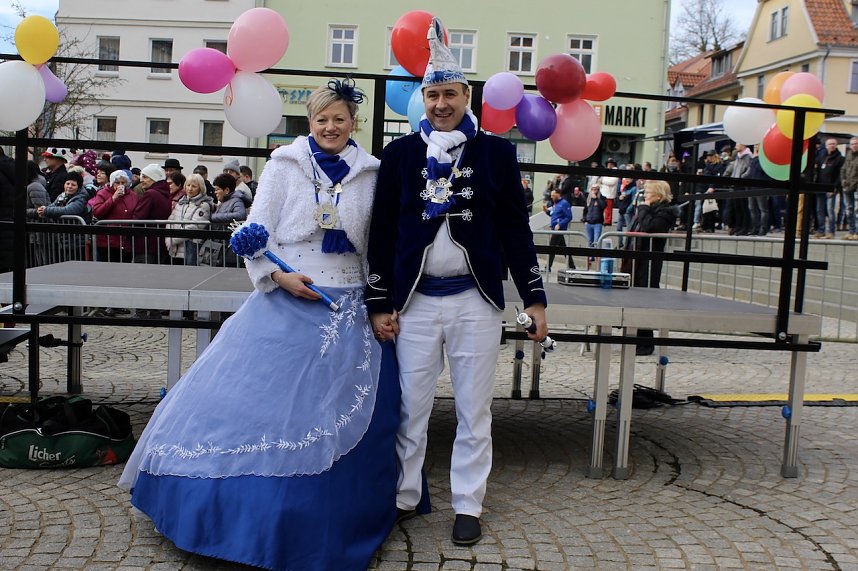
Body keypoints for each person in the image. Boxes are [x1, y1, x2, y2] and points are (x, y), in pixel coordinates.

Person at [119, 78, 400, 571]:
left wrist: (379, 301)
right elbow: (257, 228)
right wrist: (277, 275)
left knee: (343, 414)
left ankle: (334, 515)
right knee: (252, 407)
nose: (330, 127)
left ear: (353, 123)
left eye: (339, 119)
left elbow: (379, 243)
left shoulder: (373, 172)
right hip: (288, 296)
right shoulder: (284, 163)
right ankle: (229, 516)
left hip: (350, 303)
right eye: (321, 119)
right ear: (308, 122)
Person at [365, 18, 548, 546]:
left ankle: (468, 503)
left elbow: (515, 228)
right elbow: (383, 234)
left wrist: (534, 296)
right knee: (410, 407)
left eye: (449, 93)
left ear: (466, 95)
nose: (440, 104)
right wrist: (380, 300)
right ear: (420, 98)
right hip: (416, 302)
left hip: (477, 300)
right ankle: (404, 497)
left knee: (474, 409)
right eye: (432, 94)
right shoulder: (399, 156)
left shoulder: (495, 153)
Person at [623, 180, 679, 355]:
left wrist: (644, 209)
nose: (644, 195)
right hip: (637, 258)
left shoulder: (665, 211)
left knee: (645, 297)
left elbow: (650, 227)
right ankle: (635, 337)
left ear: (658, 193)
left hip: (649, 260)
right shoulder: (648, 208)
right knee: (635, 296)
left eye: (648, 192)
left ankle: (646, 342)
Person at [36, 171, 89, 262]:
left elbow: (68, 210)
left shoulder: (81, 198)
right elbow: (52, 206)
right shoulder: (62, 196)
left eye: (73, 185)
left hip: (77, 242)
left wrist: (47, 211)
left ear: (78, 187)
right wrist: (43, 210)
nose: (69, 186)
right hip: (64, 240)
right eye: (67, 183)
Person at [88, 169, 139, 263]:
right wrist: (113, 199)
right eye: (117, 182)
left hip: (126, 240)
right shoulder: (103, 193)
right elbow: (97, 212)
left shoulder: (133, 195)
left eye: (123, 182)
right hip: (107, 241)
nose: (120, 185)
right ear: (112, 183)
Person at [164, 173, 212, 266]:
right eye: (188, 185)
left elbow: (195, 226)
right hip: (175, 250)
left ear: (200, 188)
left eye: (194, 186)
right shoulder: (182, 201)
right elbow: (171, 219)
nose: (190, 189)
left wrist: (173, 239)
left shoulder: (203, 205)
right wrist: (168, 237)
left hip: (191, 249)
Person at [131, 164, 172, 264]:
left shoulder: (150, 194)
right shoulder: (164, 193)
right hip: (158, 243)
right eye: (141, 176)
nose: (141, 180)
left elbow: (138, 217)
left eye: (145, 177)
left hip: (146, 243)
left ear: (154, 178)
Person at [814, 138, 844, 239]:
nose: (832, 146)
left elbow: (840, 175)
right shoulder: (822, 157)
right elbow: (816, 170)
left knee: (830, 210)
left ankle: (831, 231)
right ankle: (821, 230)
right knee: (819, 210)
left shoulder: (839, 158)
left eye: (833, 144)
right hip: (820, 188)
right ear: (826, 146)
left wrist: (834, 188)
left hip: (831, 188)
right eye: (830, 144)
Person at [25, 160, 50, 267]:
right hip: (36, 231)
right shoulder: (32, 185)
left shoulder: (34, 186)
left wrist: (22, 211)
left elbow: (40, 210)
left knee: (43, 261)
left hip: (40, 231)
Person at [545, 188, 574, 272]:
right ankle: (571, 265)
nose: (552, 197)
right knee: (563, 248)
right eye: (551, 196)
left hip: (559, 229)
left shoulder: (564, 203)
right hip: (555, 227)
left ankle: (548, 267)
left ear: (558, 194)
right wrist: (547, 212)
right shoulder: (555, 204)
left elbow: (569, 216)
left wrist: (560, 224)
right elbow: (554, 215)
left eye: (553, 195)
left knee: (552, 246)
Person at [583, 184, 607, 262]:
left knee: (596, 240)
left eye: (595, 189)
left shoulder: (602, 198)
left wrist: (596, 198)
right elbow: (585, 210)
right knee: (589, 240)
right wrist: (585, 219)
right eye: (592, 189)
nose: (594, 191)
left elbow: (603, 206)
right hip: (589, 222)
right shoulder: (588, 199)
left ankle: (596, 256)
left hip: (597, 222)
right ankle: (591, 256)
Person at [841, 137, 858, 240]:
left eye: (856, 143)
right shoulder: (848, 155)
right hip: (847, 187)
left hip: (856, 187)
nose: (854, 145)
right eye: (852, 144)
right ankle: (851, 231)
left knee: (857, 210)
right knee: (849, 210)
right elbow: (843, 169)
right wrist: (843, 181)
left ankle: (857, 232)